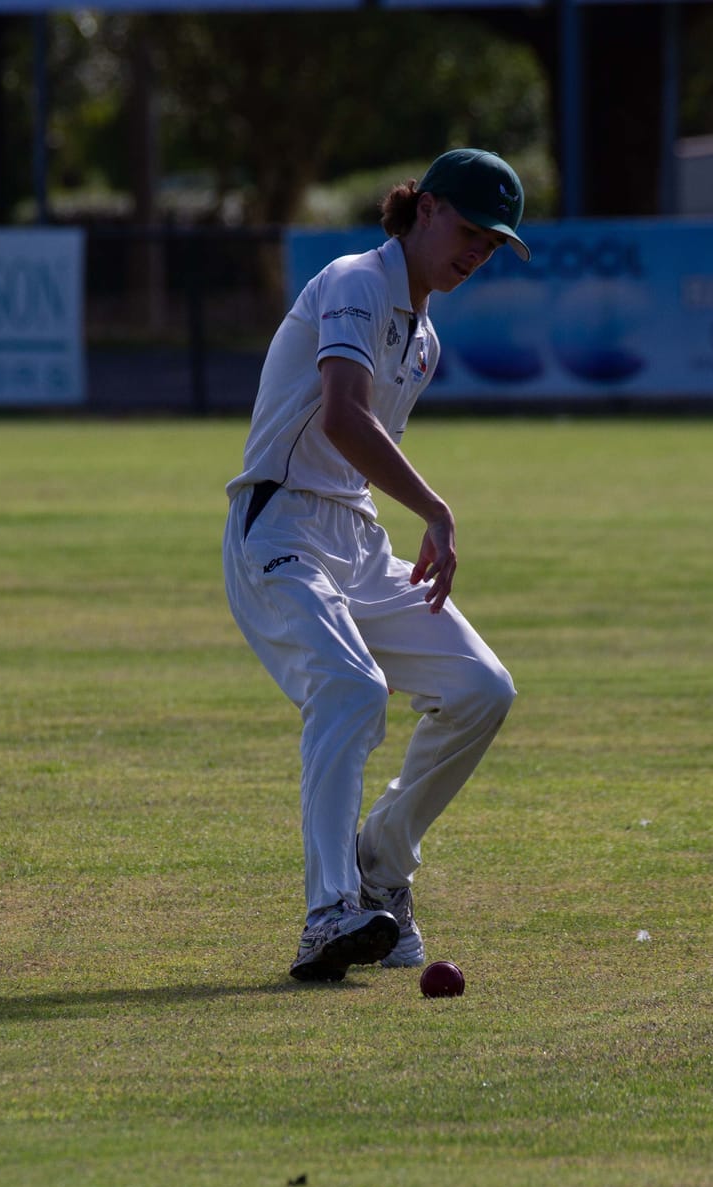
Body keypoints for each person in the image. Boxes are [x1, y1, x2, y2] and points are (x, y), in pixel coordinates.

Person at [222, 148, 530, 982]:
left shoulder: (423, 337)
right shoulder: (357, 279)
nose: (477, 251)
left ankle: (380, 875)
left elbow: (358, 457)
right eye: (468, 229)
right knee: (352, 687)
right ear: (425, 209)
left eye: (493, 243)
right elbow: (342, 420)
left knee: (481, 689)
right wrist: (435, 509)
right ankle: (328, 914)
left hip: (354, 538)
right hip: (276, 521)